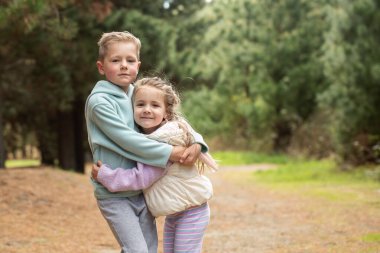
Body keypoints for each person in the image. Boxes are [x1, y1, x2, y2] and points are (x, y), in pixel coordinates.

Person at [85, 31, 208, 253]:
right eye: (116, 60)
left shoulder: (136, 94)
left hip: (140, 191)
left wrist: (197, 144)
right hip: (114, 193)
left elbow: (173, 120)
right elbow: (127, 140)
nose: (124, 66)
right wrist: (171, 153)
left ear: (138, 65)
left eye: (130, 60)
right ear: (101, 67)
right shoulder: (99, 102)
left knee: (149, 249)